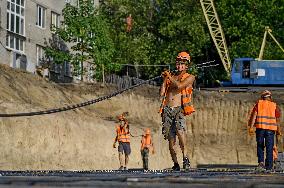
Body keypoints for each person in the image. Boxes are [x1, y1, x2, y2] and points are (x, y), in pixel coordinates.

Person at [159, 51, 195, 171]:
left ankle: (185, 159)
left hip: (179, 109)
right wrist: (165, 79)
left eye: (182, 64)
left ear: (186, 66)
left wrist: (169, 77)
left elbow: (179, 86)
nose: (179, 66)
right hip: (167, 110)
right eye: (178, 63)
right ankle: (175, 164)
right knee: (171, 139)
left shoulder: (190, 77)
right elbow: (161, 93)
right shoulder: (171, 78)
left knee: (181, 132)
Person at [248, 90, 281, 171]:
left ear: (262, 97)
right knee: (269, 147)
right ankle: (269, 166)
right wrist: (278, 130)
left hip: (260, 128)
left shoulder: (259, 104)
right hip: (271, 130)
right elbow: (277, 120)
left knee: (260, 146)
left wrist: (251, 127)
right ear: (270, 97)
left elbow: (254, 116)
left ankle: (261, 163)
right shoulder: (274, 106)